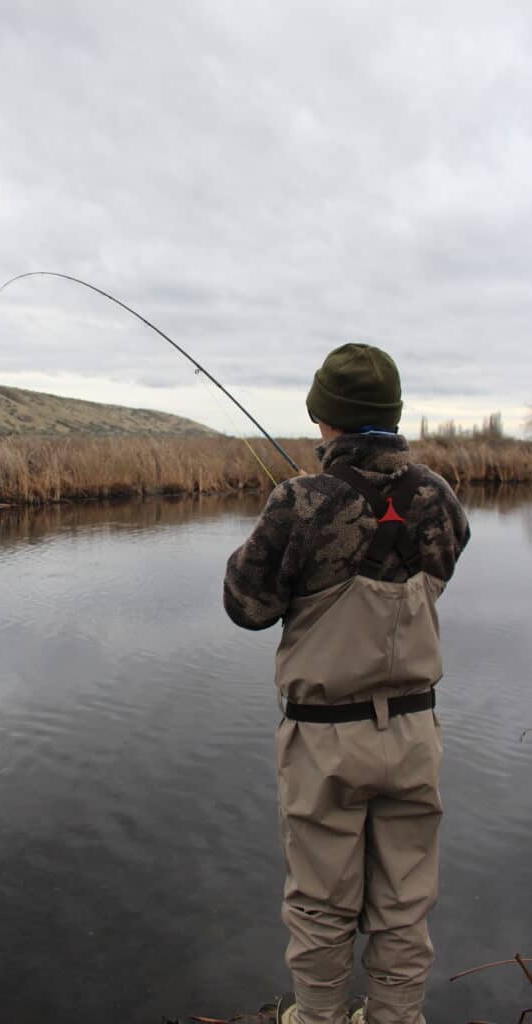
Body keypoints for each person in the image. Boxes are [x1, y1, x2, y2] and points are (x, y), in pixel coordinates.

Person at [223, 344, 470, 1024]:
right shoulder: (437, 496)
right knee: (404, 901)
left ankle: (318, 1018)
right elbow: (446, 562)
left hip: (326, 740)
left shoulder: (298, 501)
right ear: (390, 416)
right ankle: (395, 1018)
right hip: (416, 732)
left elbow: (245, 608)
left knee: (319, 902)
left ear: (323, 417)